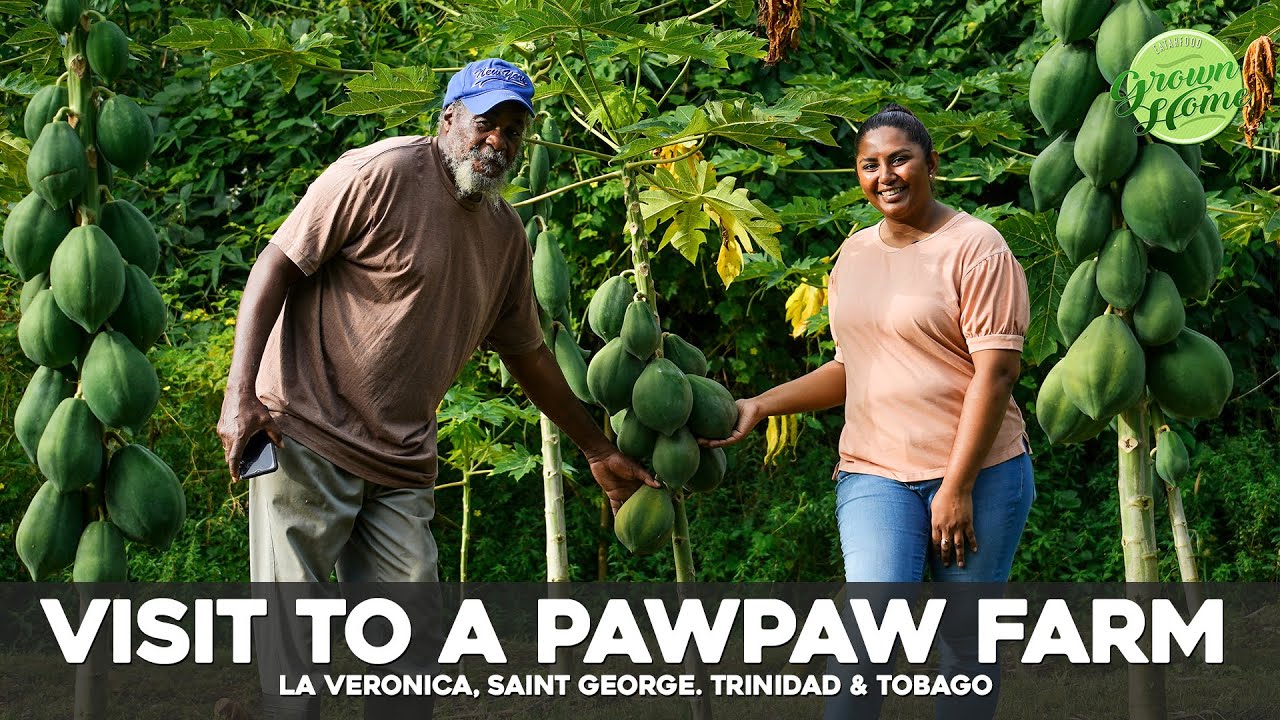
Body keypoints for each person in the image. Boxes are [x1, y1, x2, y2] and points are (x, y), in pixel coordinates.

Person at [216, 58, 657, 719]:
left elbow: (529, 355)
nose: (498, 143)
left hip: (399, 459)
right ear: (449, 118)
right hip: (306, 431)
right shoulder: (381, 173)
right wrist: (239, 392)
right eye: (486, 123)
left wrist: (595, 449)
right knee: (296, 656)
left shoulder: (506, 236)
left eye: (514, 130)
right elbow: (276, 264)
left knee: (411, 657)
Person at [706, 104, 1035, 719]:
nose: (886, 175)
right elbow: (852, 366)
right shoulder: (852, 255)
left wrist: (957, 486)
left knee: (965, 645)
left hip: (980, 476)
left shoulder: (977, 247)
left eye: (900, 159)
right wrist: (760, 405)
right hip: (875, 472)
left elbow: (997, 373)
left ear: (932, 164)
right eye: (869, 165)